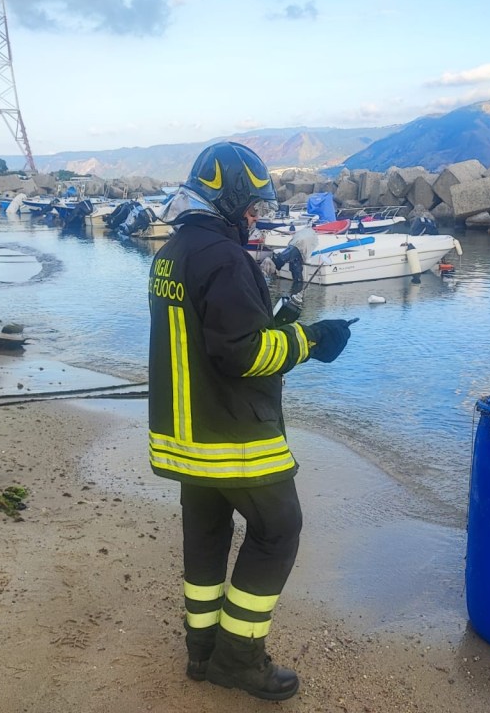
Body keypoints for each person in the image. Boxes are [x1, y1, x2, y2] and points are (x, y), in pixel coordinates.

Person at [146, 142, 353, 701]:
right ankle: (238, 658)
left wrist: (271, 322)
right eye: (252, 205)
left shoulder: (171, 253)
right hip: (231, 434)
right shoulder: (225, 258)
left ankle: (202, 650)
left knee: (206, 536)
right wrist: (310, 341)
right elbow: (242, 354)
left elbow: (205, 337)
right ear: (231, 200)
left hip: (183, 437)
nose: (257, 215)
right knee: (278, 529)